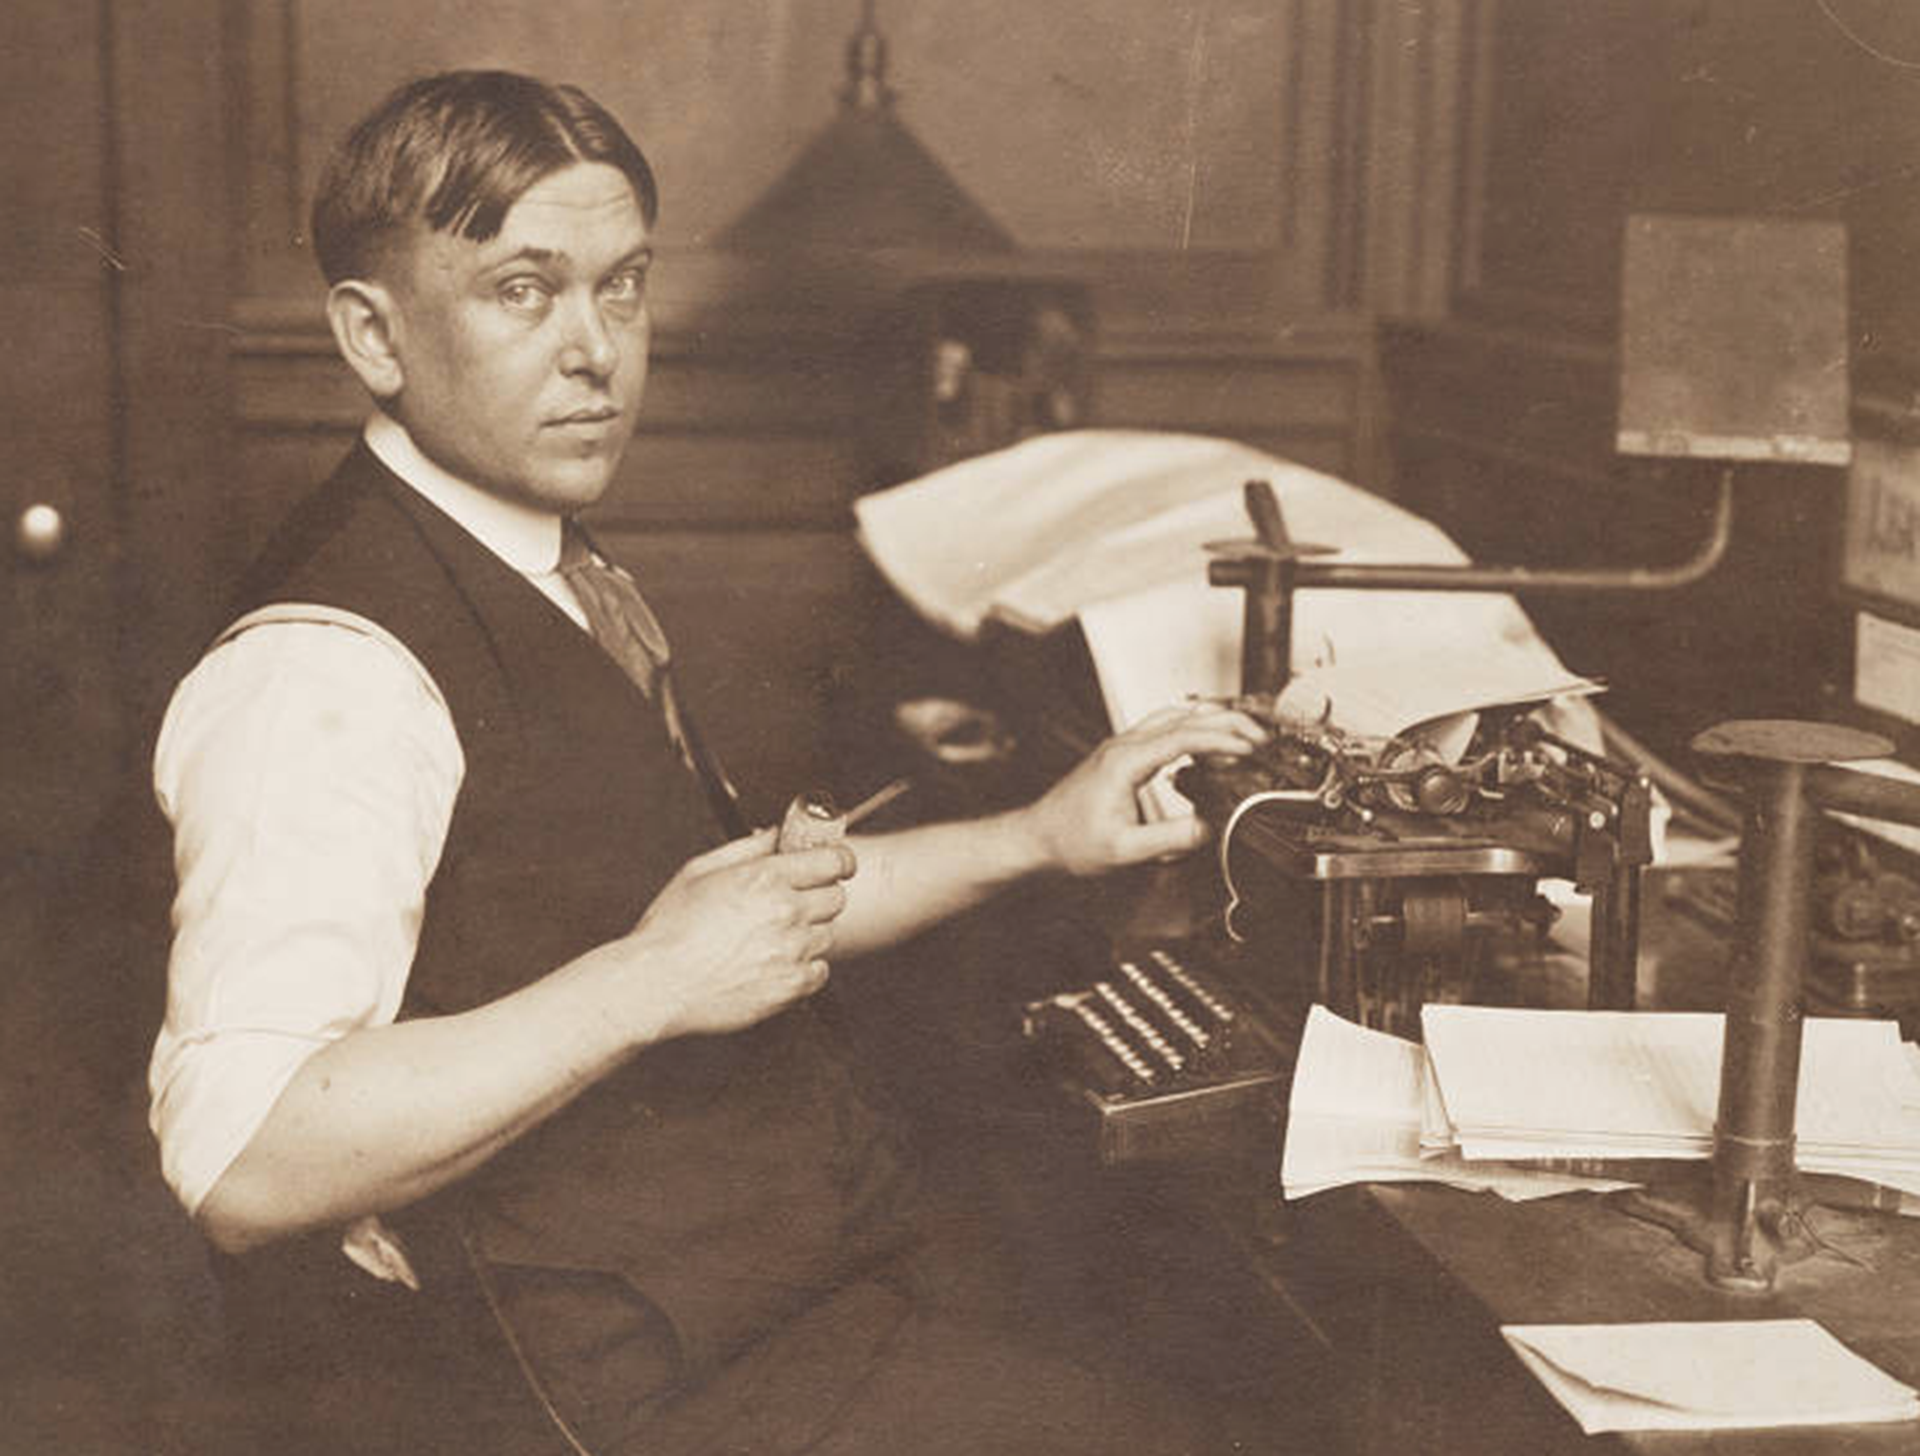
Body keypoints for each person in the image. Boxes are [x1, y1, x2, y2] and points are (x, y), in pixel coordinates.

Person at [148, 69, 1265, 1455]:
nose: (596, 352)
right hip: (621, 1393)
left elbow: (726, 923)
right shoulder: (325, 667)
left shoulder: (544, 564)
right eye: (522, 292)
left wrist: (1038, 834)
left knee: (1170, 1361)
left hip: (773, 1290)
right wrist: (652, 980)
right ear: (373, 336)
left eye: (620, 287)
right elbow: (245, 1160)